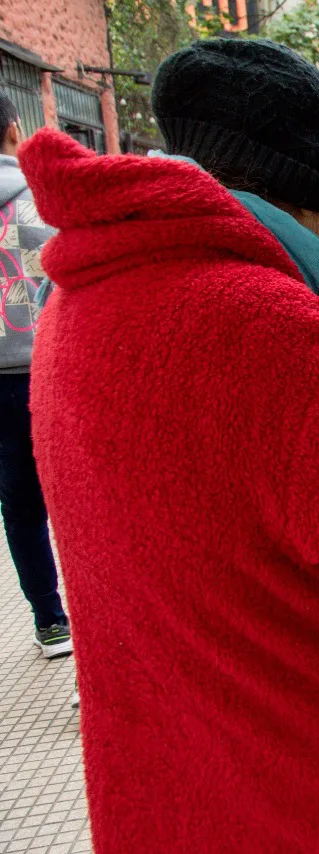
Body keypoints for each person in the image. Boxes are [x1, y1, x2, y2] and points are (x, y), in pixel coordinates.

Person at [21, 38, 319, 852]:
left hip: (169, 790)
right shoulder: (271, 329)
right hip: (318, 805)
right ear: (310, 208)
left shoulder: (80, 296)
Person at [0, 95, 69, 659]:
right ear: (14, 128)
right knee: (81, 490)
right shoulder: (43, 199)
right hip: (54, 362)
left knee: (20, 501)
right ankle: (106, 612)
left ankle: (50, 621)